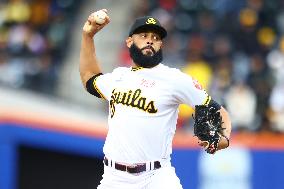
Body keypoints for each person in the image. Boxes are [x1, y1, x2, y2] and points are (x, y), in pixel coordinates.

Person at [79, 9, 232, 189]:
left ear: (161, 45)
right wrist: (87, 37)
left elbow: (218, 110)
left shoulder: (175, 79)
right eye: (143, 35)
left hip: (156, 177)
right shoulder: (118, 77)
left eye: (156, 37)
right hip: (114, 178)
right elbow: (89, 78)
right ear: (129, 42)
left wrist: (225, 138)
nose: (150, 40)